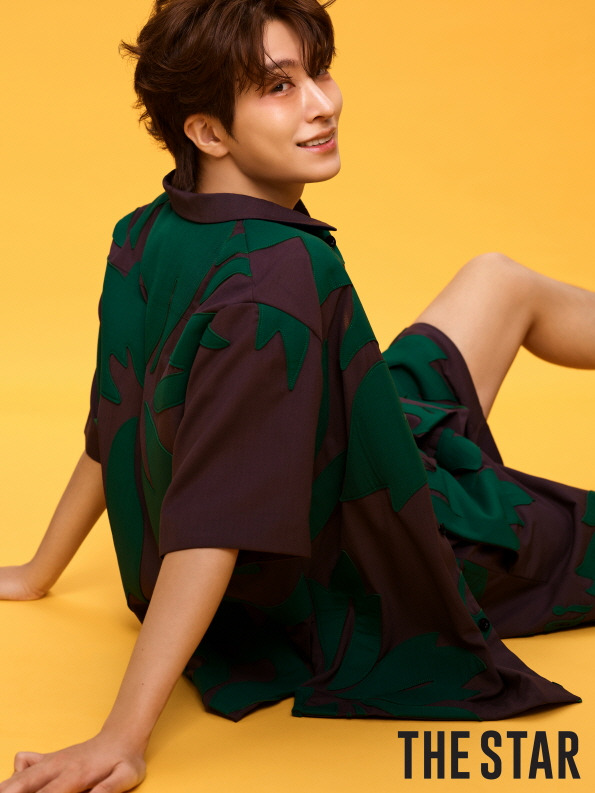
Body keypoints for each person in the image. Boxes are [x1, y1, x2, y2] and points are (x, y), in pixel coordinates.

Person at [1, 0, 595, 791]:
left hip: (358, 440)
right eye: (279, 87)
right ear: (208, 132)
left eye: (318, 72)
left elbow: (118, 415)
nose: (322, 103)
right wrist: (122, 737)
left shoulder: (145, 230)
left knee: (495, 280)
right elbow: (211, 521)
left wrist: (36, 571)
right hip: (385, 547)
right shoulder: (274, 278)